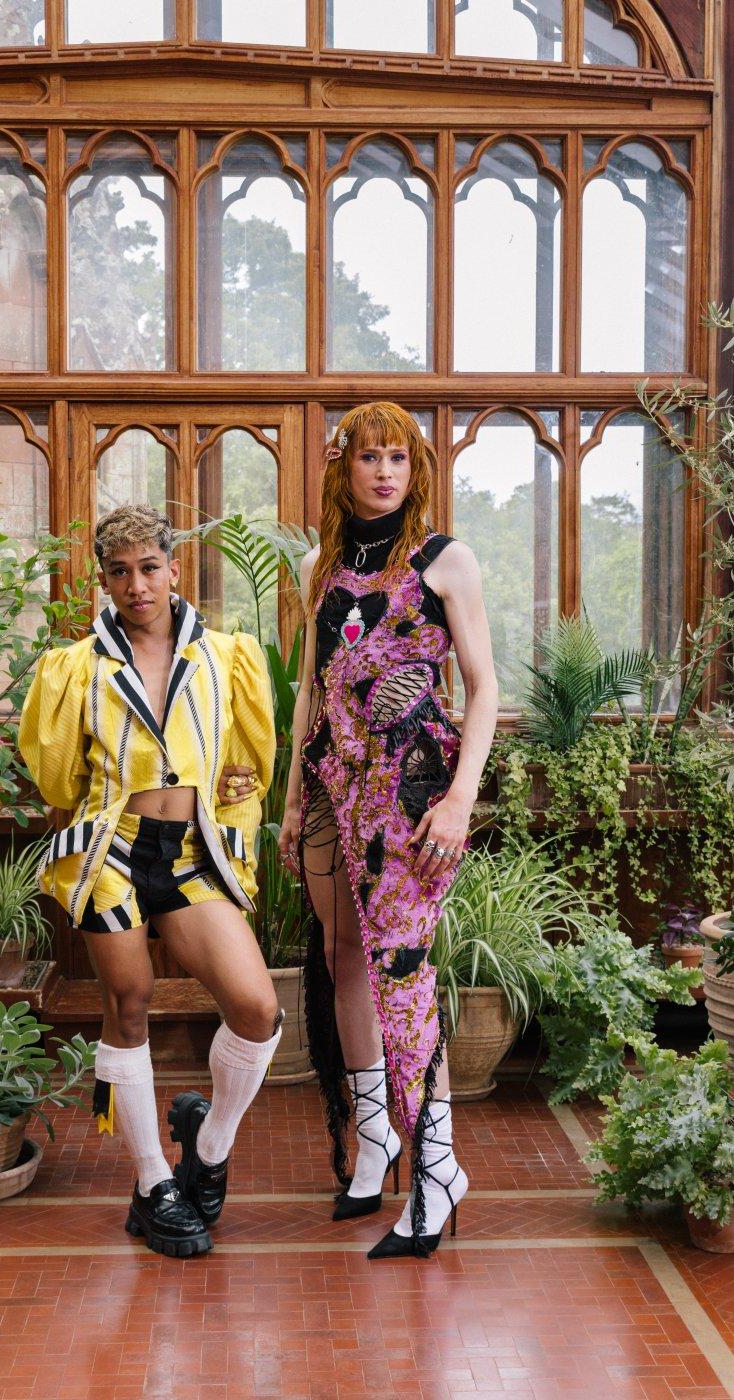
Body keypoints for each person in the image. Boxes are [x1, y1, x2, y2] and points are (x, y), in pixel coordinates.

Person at [19, 504, 280, 1259]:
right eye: (120, 571)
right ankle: (150, 1181)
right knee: (128, 1003)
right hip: (114, 849)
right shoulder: (77, 667)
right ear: (104, 579)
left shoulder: (227, 658)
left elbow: (245, 768)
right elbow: (56, 776)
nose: (137, 584)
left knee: (257, 1007)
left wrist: (237, 788)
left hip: (194, 851)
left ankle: (208, 1146)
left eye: (149, 567)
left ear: (174, 569)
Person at [277, 402, 498, 1259]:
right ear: (344, 468)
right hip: (334, 789)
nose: (383, 472)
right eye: (368, 457)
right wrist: (296, 798)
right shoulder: (317, 566)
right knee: (342, 957)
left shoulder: (447, 562)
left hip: (412, 794)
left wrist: (460, 800)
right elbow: (309, 690)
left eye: (397, 458)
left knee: (401, 966)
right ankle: (377, 1139)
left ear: (415, 470)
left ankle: (438, 1166)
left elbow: (482, 687)